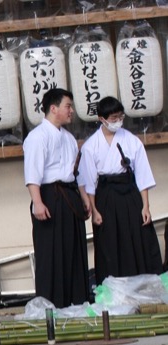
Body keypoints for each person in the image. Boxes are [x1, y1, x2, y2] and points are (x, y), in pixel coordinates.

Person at [77, 96, 162, 284]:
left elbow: (142, 175)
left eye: (120, 117)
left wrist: (146, 206)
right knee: (109, 242)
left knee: (138, 238)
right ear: (102, 119)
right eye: (113, 118)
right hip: (106, 197)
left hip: (130, 193)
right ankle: (114, 289)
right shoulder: (91, 146)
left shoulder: (131, 140)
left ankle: (143, 285)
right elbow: (88, 182)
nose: (118, 121)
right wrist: (94, 210)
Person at [22, 88, 91, 308]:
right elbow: (32, 173)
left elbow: (76, 172)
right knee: (50, 252)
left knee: (74, 249)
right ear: (53, 108)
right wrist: (38, 202)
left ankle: (76, 302)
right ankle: (51, 305)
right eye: (68, 106)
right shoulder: (37, 137)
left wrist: (84, 198)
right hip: (48, 197)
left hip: (70, 195)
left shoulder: (69, 138)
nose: (71, 111)